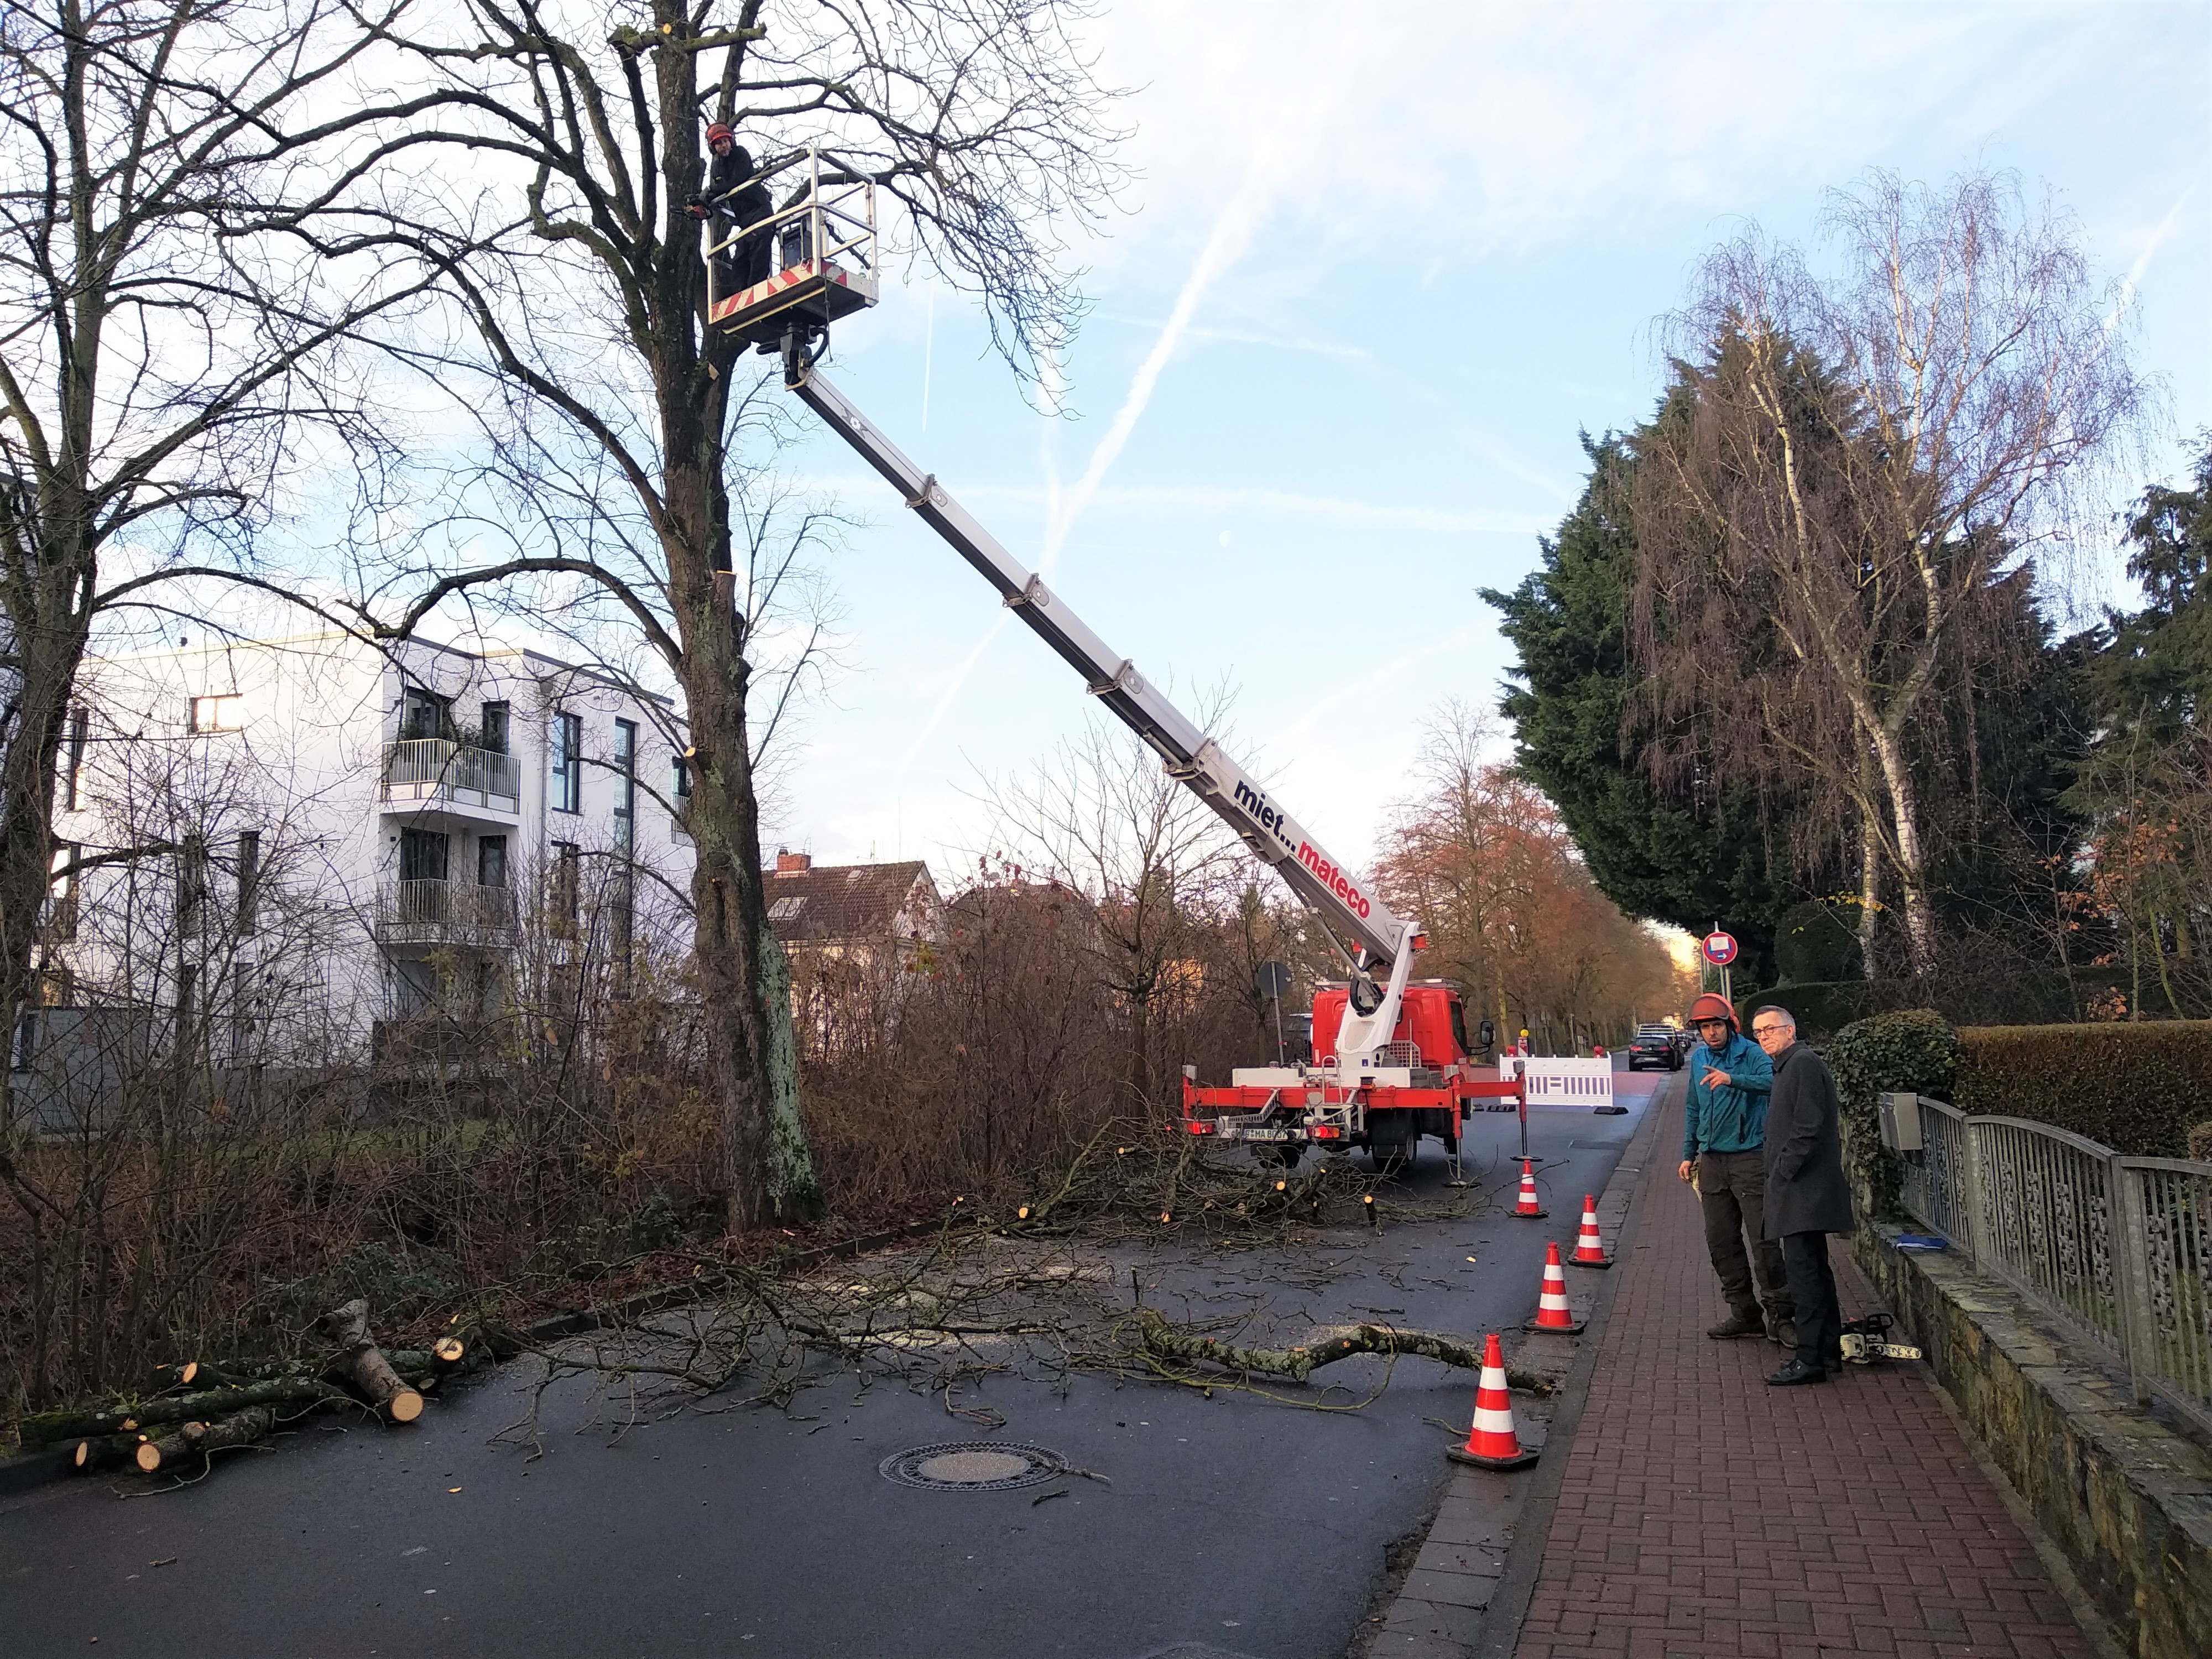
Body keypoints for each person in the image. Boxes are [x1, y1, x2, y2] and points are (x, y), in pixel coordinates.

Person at [1676, 992, 1794, 1345]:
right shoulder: (1698, 1059)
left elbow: (1775, 1084)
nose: (1711, 1033)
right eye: (1704, 1027)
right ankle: (1745, 1315)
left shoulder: (1752, 1053)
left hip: (1749, 1158)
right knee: (1721, 1242)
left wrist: (1732, 1079)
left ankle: (1782, 1317)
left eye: (1716, 1025)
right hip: (1712, 1162)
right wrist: (1688, 1153)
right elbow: (1693, 1108)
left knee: (1764, 1242)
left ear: (1729, 1025)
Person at [1754, 1005, 1854, 1385]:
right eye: (1758, 1032)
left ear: (1790, 1029)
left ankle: (1810, 1358)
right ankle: (1827, 1353)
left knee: (1805, 1278)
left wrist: (1783, 1171)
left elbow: (1808, 1127)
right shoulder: (1789, 1065)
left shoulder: (1801, 1064)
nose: (1764, 1036)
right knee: (1814, 1272)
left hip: (1802, 1192)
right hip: (1801, 1190)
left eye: (1770, 1029)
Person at [689, 123, 773, 296]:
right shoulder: (717, 165)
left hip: (759, 211)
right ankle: (742, 295)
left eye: (726, 141)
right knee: (740, 260)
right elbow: (716, 186)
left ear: (731, 141)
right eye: (719, 143)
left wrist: (711, 191)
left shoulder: (740, 154)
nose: (724, 145)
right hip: (744, 219)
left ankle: (756, 293)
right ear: (714, 147)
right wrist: (702, 200)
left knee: (758, 254)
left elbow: (736, 182)